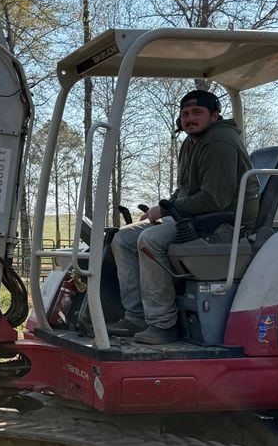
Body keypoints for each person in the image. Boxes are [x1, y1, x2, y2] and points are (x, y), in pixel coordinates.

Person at [108, 89, 259, 345]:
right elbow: (186, 190)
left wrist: (166, 211)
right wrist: (162, 208)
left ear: (214, 115)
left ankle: (163, 324)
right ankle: (136, 317)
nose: (190, 119)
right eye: (185, 114)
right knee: (123, 239)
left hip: (224, 223)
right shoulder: (192, 142)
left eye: (197, 113)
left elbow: (214, 200)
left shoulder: (219, 142)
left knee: (150, 241)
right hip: (200, 218)